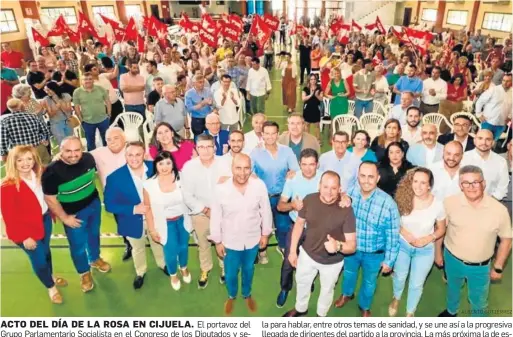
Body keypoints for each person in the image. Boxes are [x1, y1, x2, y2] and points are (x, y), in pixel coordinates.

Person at [439, 165, 512, 317]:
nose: (471, 187)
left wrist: (498, 267)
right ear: (460, 186)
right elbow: (441, 230)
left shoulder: (499, 210)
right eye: (466, 183)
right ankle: (451, 312)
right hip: (451, 259)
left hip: (480, 267)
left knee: (479, 301)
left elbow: (506, 239)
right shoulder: (449, 203)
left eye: (476, 182)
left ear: (483, 183)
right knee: (453, 289)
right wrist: (437, 254)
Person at [283, 171, 357, 317]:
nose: (329, 192)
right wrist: (292, 251)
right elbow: (299, 224)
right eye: (325, 187)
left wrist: (338, 246)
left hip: (332, 262)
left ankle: (320, 316)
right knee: (302, 283)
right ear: (319, 186)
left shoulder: (346, 209)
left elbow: (352, 245)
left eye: (333, 188)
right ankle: (300, 308)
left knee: (326, 290)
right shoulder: (309, 200)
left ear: (340, 189)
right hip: (307, 255)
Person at [42, 137, 111, 293]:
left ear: (82, 149)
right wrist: (65, 218)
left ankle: (94, 259)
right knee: (78, 246)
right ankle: (84, 273)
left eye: (77, 150)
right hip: (73, 214)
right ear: (60, 150)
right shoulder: (52, 172)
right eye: (68, 151)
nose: (73, 155)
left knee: (94, 235)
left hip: (93, 205)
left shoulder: (88, 159)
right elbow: (50, 199)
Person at [0, 146, 67, 304]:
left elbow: (50, 167)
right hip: (25, 230)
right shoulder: (8, 186)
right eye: (20, 160)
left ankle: (50, 276)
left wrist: (58, 157)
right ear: (13, 162)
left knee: (46, 252)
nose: (25, 163)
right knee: (39, 260)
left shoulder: (39, 173)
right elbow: (10, 217)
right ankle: (51, 287)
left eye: (29, 159)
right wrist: (24, 238)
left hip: (44, 220)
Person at [335, 162, 400, 317]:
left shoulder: (388, 204)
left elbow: (393, 235)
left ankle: (365, 306)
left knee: (369, 283)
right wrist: (342, 198)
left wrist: (389, 261)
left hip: (374, 254)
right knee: (349, 274)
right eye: (362, 176)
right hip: (352, 249)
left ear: (378, 178)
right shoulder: (350, 193)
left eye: (371, 177)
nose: (366, 180)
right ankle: (347, 294)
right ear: (357, 176)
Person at [210, 154, 272, 314]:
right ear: (232, 168)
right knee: (230, 273)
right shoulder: (221, 189)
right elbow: (216, 216)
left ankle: (246, 294)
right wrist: (217, 241)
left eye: (246, 168)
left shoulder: (259, 186)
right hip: (230, 241)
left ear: (251, 169)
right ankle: (231, 295)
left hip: (253, 239)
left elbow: (266, 210)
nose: (242, 173)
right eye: (238, 168)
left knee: (248, 269)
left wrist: (265, 234)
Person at [104, 141, 168, 289]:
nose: (134, 158)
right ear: (125, 156)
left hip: (155, 218)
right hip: (132, 220)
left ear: (144, 154)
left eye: (138, 154)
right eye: (130, 155)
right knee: (137, 248)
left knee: (157, 243)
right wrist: (133, 209)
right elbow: (109, 204)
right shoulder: (114, 177)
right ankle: (140, 271)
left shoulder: (155, 168)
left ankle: (162, 263)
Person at [389, 168, 447, 317]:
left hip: (425, 250)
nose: (418, 186)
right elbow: (393, 221)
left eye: (423, 183)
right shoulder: (403, 197)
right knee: (400, 276)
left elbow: (441, 229)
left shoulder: (438, 204)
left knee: (416, 283)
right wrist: (405, 233)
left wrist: (429, 238)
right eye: (415, 181)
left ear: (429, 185)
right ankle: (396, 298)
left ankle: (410, 311)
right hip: (402, 245)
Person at [181, 134, 226, 288]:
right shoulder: (188, 167)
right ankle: (205, 269)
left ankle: (224, 268)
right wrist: (206, 210)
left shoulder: (225, 164)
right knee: (203, 244)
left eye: (209, 147)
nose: (205, 150)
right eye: (201, 147)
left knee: (223, 242)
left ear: (214, 147)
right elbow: (187, 195)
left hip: (223, 213)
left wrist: (219, 210)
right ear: (196, 148)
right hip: (200, 214)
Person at [144, 151, 192, 291]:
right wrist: (152, 230)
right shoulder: (148, 185)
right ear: (156, 165)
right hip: (165, 223)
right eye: (160, 163)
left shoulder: (181, 178)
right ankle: (173, 274)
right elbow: (147, 209)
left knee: (183, 247)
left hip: (182, 220)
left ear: (173, 164)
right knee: (170, 251)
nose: (164, 167)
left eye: (168, 163)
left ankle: (183, 267)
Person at [251, 121, 300, 259]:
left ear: (278, 134)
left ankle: (283, 246)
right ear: (262, 134)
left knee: (283, 226)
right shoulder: (255, 152)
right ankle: (261, 250)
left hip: (282, 196)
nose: (270, 137)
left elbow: (296, 169)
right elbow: (249, 172)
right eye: (267, 133)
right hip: (263, 197)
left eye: (273, 133)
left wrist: (292, 173)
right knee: (261, 225)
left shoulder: (287, 151)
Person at [90, 127, 132, 261]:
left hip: (134, 196)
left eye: (116, 138)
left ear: (124, 139)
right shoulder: (99, 152)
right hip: (114, 198)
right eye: (108, 139)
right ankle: (129, 244)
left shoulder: (133, 151)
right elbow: (80, 156)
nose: (112, 142)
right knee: (121, 223)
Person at [461, 129, 509, 200]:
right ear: (474, 140)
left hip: (491, 204)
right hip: (464, 202)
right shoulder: (463, 158)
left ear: (493, 142)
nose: (484, 142)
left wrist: (488, 203)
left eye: (488, 139)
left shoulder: (501, 162)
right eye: (480, 138)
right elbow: (457, 184)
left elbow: (502, 188)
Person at [0, 98, 51, 164]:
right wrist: (45, 139)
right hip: (38, 148)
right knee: (47, 170)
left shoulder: (4, 121)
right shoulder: (33, 116)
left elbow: (3, 140)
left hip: (21, 153)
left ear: (9, 108)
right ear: (21, 105)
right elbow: (45, 130)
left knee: (28, 172)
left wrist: (4, 154)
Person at [73, 73, 111, 151]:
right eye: (85, 79)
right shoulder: (77, 92)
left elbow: (107, 101)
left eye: (90, 79)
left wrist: (109, 114)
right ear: (81, 81)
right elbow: (76, 107)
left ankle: (107, 156)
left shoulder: (100, 89)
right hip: (87, 121)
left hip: (103, 119)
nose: (88, 81)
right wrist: (81, 119)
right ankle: (92, 160)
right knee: (90, 143)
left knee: (107, 140)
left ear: (93, 80)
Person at [475, 73, 512, 141]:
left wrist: (510, 116)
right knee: (483, 141)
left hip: (501, 123)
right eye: (504, 80)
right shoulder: (494, 89)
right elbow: (480, 101)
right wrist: (479, 114)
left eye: (508, 81)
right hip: (488, 121)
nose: (505, 83)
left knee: (493, 143)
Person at [302, 73, 323, 142]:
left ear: (316, 80)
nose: (313, 81)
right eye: (311, 79)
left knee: (317, 125)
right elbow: (303, 99)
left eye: (314, 79)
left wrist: (316, 95)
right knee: (307, 124)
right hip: (307, 108)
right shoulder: (305, 88)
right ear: (309, 80)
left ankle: (318, 139)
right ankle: (307, 139)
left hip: (316, 108)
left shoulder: (319, 88)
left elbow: (321, 99)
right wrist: (311, 95)